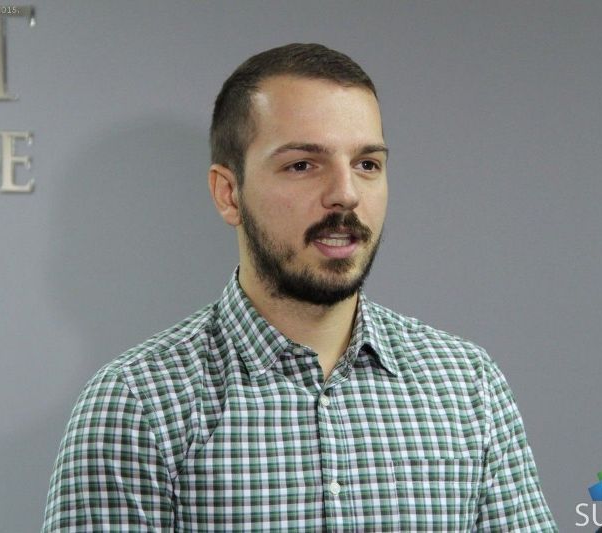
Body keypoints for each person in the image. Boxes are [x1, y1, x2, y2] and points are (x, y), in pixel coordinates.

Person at [43, 43, 557, 532]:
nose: (345, 194)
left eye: (367, 165)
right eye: (302, 165)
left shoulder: (467, 385)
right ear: (228, 193)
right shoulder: (139, 402)